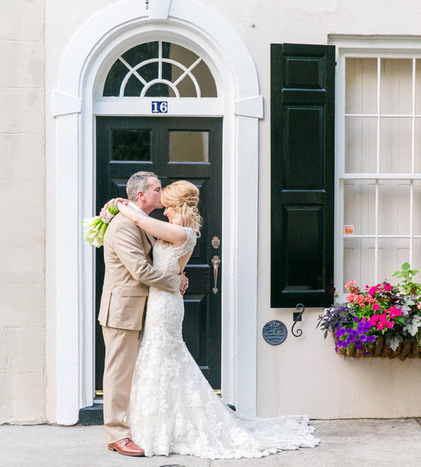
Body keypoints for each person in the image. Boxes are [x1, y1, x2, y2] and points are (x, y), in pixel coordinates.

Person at [108, 180, 320, 459]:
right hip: (161, 299)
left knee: (163, 358)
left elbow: (137, 218)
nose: (164, 210)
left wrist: (116, 206)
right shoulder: (178, 231)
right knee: (159, 360)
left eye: (168, 205)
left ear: (176, 207)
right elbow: (140, 226)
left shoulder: (179, 232)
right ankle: (155, 425)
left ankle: (161, 428)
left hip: (165, 301)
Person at [99, 171, 188, 457]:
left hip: (142, 309)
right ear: (141, 195)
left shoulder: (142, 220)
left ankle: (132, 426)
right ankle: (117, 435)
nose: (161, 194)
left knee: (132, 373)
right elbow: (140, 270)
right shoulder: (125, 224)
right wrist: (175, 281)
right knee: (118, 374)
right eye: (157, 189)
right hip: (122, 311)